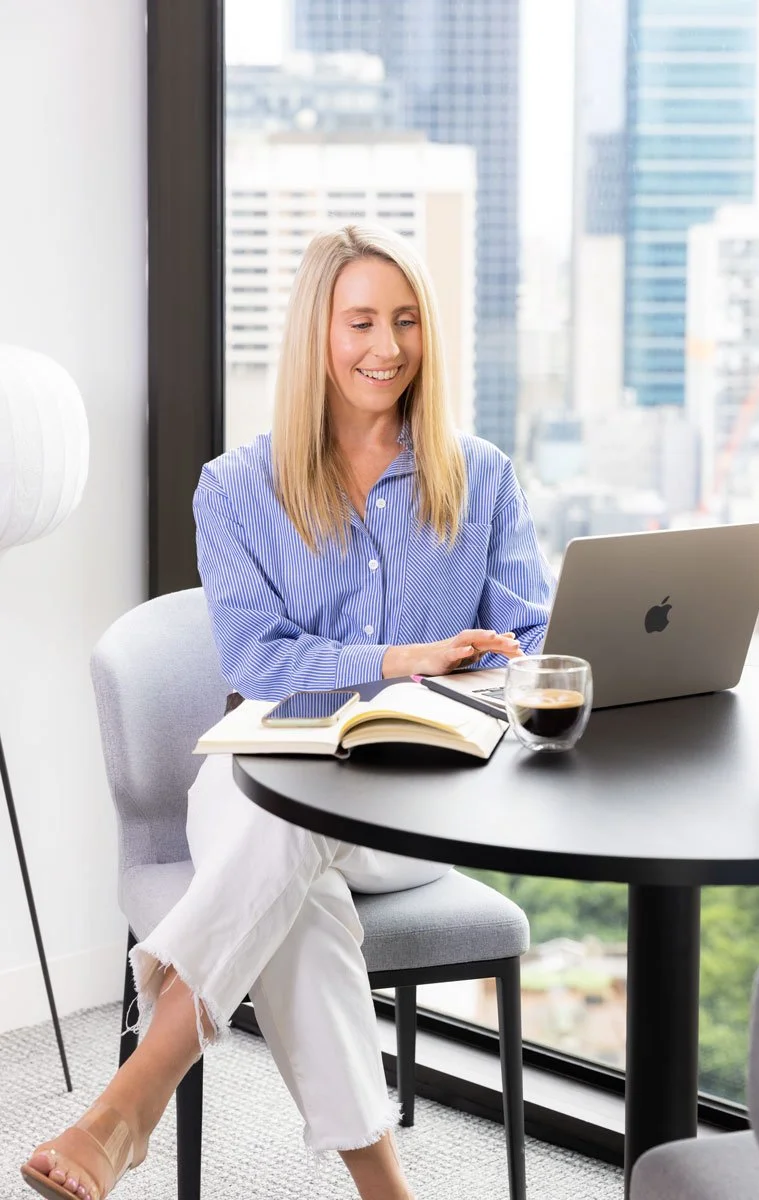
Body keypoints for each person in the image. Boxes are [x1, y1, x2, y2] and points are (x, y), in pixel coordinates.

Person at [22, 224, 554, 1200]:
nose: (384, 348)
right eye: (359, 322)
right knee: (286, 859)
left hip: (409, 810)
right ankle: (384, 1190)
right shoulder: (234, 489)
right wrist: (395, 658)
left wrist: (504, 662)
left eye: (404, 322)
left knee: (281, 845)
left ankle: (129, 1102)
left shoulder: (476, 478)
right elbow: (258, 658)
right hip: (261, 775)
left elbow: (532, 643)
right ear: (316, 334)